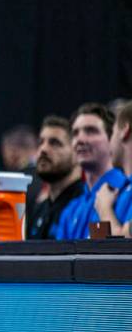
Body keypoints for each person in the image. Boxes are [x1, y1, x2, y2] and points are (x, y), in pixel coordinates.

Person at [55, 103, 127, 240]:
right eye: (75, 133)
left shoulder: (126, 192)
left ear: (112, 138)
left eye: (91, 131)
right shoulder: (70, 210)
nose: (80, 139)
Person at [27, 116, 84, 240]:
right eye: (40, 142)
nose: (43, 149)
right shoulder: (39, 209)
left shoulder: (85, 204)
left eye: (54, 143)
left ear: (77, 152)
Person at [95, 101, 132, 235]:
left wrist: (104, 209)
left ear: (124, 131)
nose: (109, 142)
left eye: (112, 133)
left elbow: (127, 247)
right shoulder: (116, 192)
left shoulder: (106, 199)